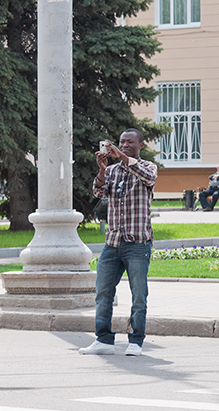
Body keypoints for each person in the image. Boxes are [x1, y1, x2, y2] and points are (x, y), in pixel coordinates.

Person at [79, 128, 157, 357]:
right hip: (112, 242)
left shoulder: (148, 167)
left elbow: (149, 178)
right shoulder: (112, 170)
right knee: (103, 292)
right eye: (121, 142)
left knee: (138, 294)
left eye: (129, 142)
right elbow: (98, 192)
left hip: (137, 243)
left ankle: (136, 341)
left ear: (140, 145)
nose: (123, 145)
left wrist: (122, 157)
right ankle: (103, 339)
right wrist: (102, 170)